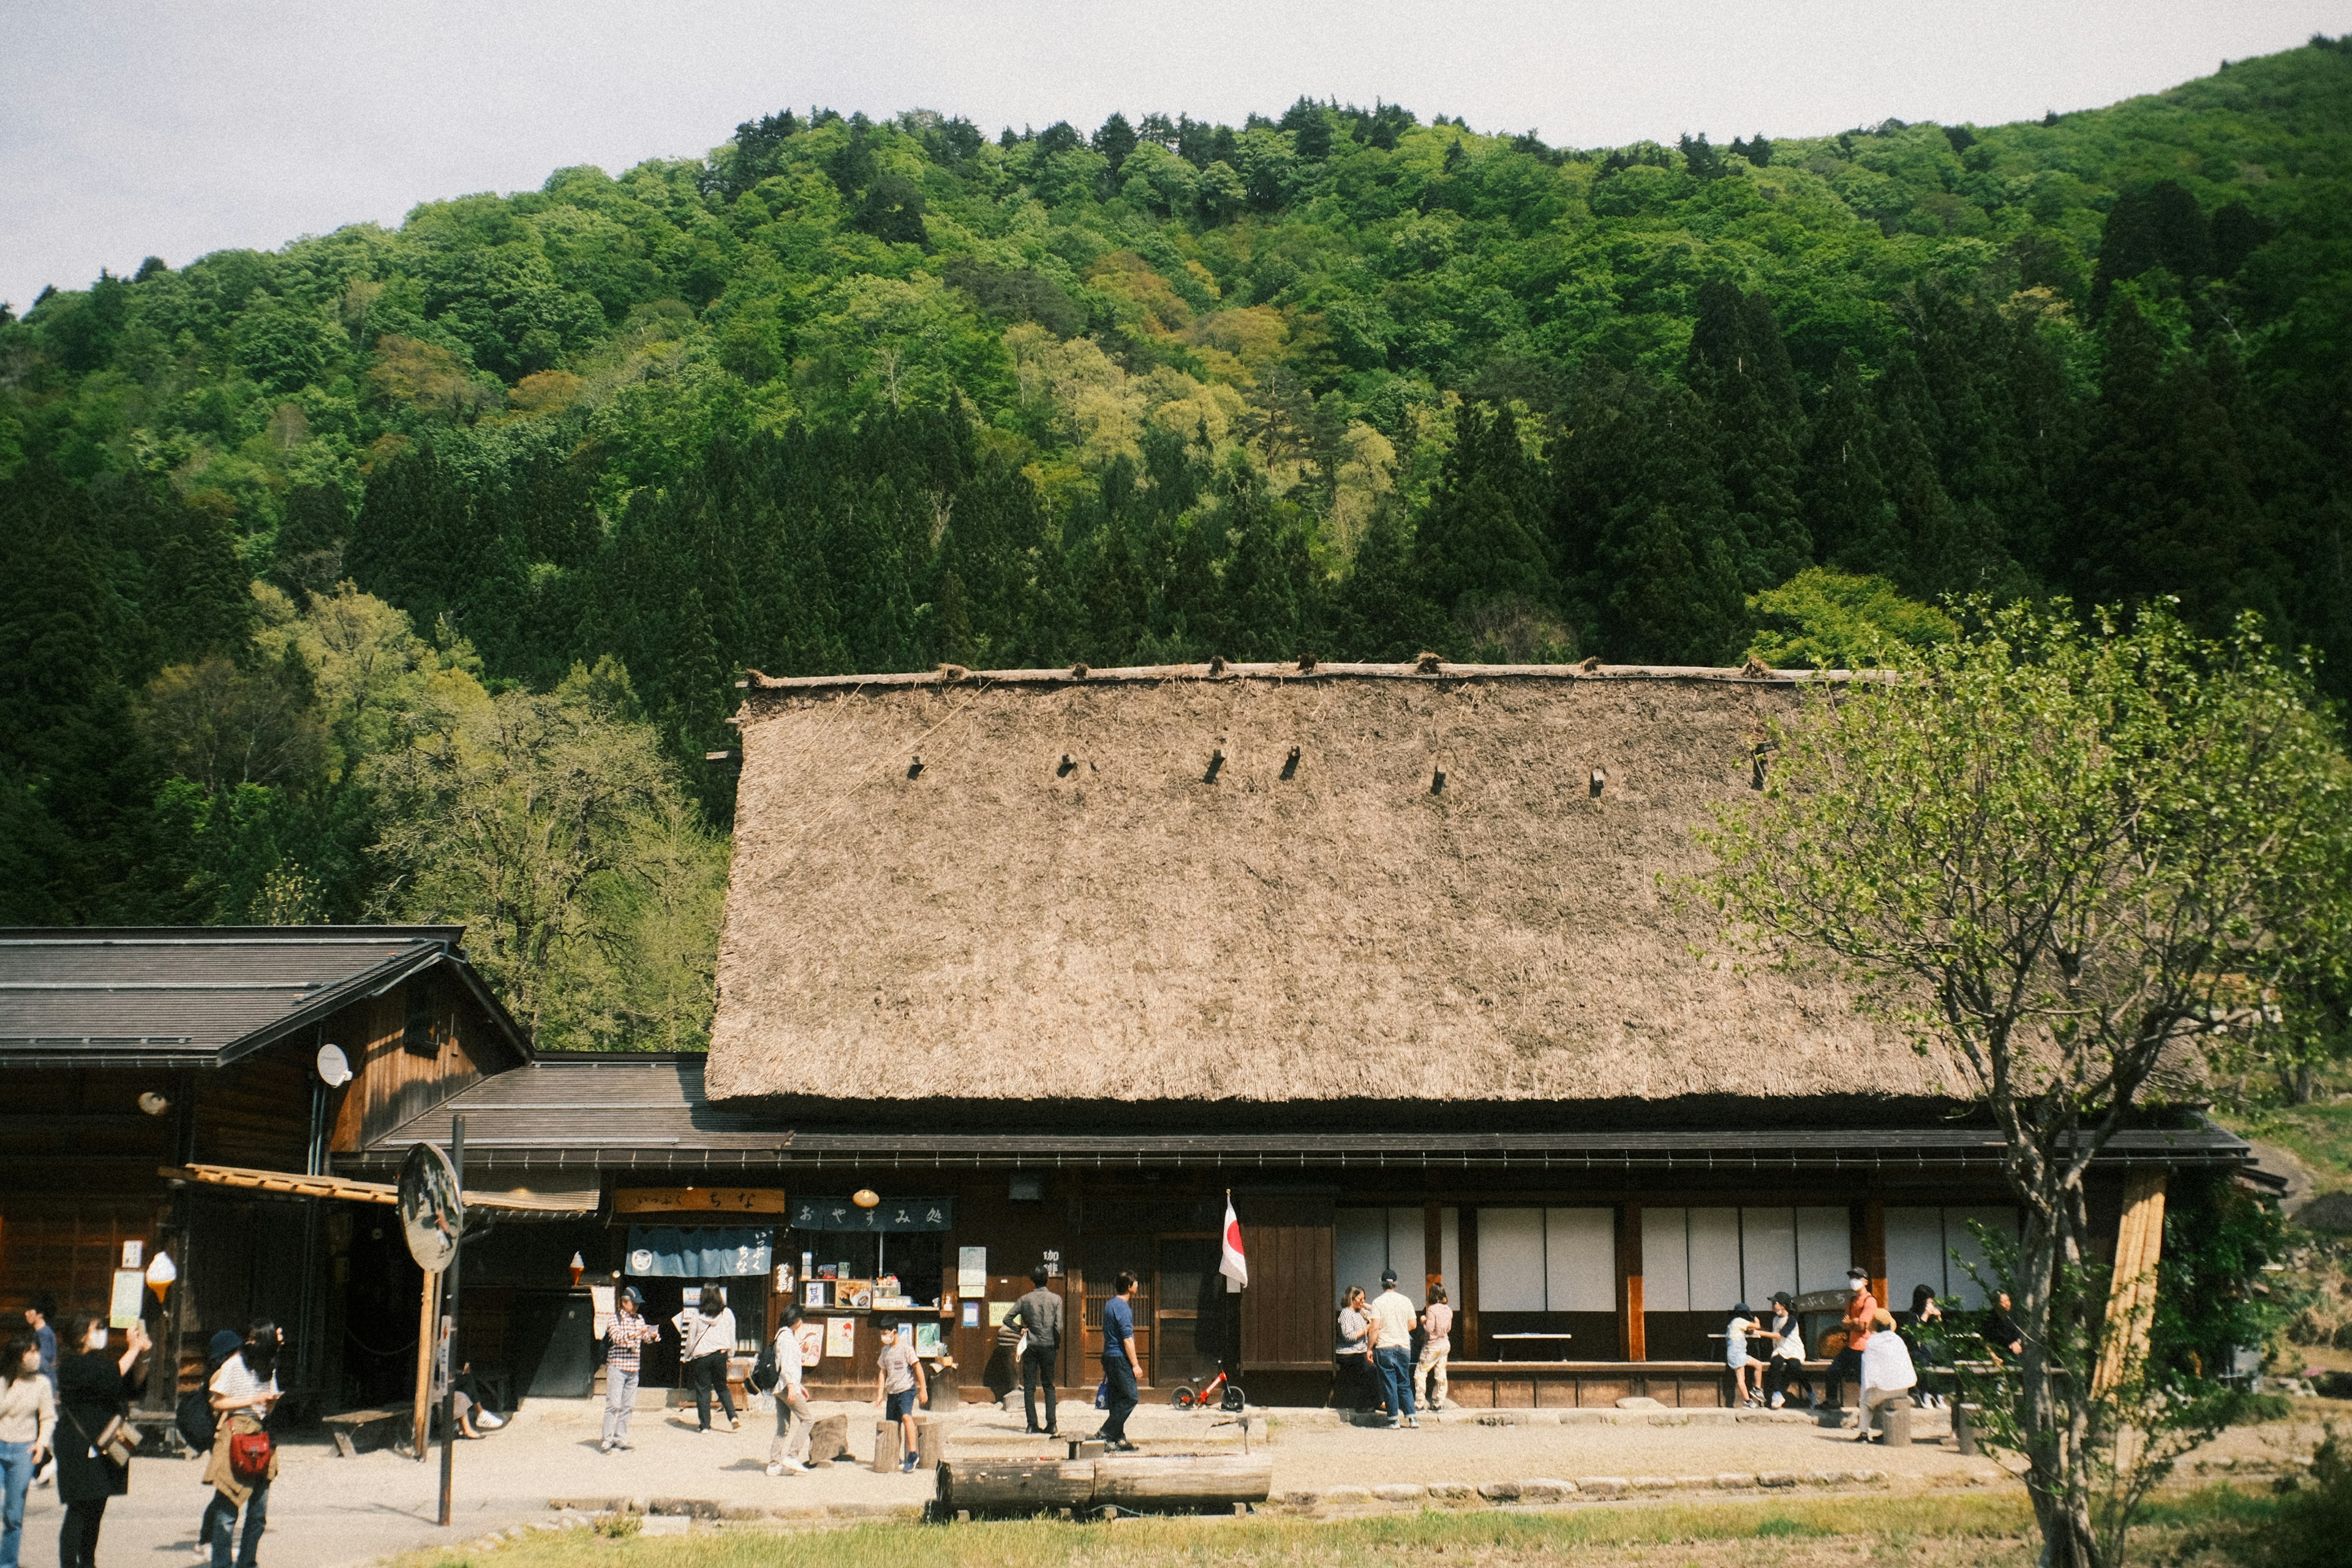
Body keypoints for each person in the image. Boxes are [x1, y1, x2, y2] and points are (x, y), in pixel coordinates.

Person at [54, 1310, 149, 1568]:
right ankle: (68, 1564)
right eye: (96, 1329)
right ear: (81, 1335)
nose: (102, 1334)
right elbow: (114, 1372)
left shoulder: (99, 1360)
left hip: (106, 1443)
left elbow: (130, 1385)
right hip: (79, 1443)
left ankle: (88, 1562)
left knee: (96, 1508)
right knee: (79, 1508)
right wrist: (132, 1348)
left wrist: (141, 1354)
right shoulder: (73, 1364)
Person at [202, 1319, 281, 1568]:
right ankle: (221, 1564)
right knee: (227, 1511)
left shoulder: (269, 1367)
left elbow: (270, 1402)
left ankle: (247, 1562)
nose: (250, 1343)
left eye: (257, 1339)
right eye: (251, 1338)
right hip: (236, 1432)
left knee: (258, 1512)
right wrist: (249, 1400)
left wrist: (270, 1403)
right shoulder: (234, 1365)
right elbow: (216, 1401)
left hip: (261, 1433)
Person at [1, 1333, 55, 1568]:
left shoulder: (42, 1383)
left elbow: (48, 1417)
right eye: (30, 1352)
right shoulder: (3, 1381)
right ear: (17, 1357)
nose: (36, 1357)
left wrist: (41, 1444)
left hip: (24, 1450)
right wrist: (14, 1385)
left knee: (13, 1515)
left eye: (37, 1351)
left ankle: (7, 1563)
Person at [600, 1286, 659, 1453]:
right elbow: (618, 1339)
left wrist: (652, 1336)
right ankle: (607, 1439)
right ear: (624, 1302)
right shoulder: (614, 1319)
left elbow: (645, 1338)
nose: (636, 1308)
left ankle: (621, 1438)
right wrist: (636, 1333)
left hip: (634, 1368)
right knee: (614, 1404)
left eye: (638, 1304)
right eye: (634, 1304)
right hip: (617, 1367)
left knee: (628, 1406)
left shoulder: (639, 1318)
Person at [1005, 1265, 1063, 1436]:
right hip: (1048, 1345)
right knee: (1049, 1386)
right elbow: (1058, 1326)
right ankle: (1051, 1424)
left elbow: (1007, 1318)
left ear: (1032, 1280)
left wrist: (1020, 1329)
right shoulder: (1056, 1299)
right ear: (1047, 1279)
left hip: (1031, 1345)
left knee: (1029, 1387)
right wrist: (1055, 1342)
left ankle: (1032, 1424)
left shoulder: (1025, 1299)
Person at [673, 1286, 740, 1434]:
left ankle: (705, 1426)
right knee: (722, 1387)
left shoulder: (697, 1314)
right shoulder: (727, 1313)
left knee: (703, 1390)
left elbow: (691, 1338)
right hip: (720, 1354)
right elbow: (731, 1336)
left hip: (702, 1356)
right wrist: (730, 1356)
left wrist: (686, 1355)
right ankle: (733, 1416)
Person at [1367, 1269, 1420, 1429]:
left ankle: (1393, 1419)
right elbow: (1413, 1324)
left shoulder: (1378, 1302)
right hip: (1404, 1346)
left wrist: (1370, 1348)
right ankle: (1412, 1418)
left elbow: (1374, 1327)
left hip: (1385, 1346)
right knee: (1404, 1382)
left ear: (1382, 1283)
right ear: (1396, 1284)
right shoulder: (1406, 1301)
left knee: (1389, 1383)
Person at [1820, 1268, 1878, 1413]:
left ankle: (1869, 1406)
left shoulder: (1870, 1301)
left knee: (1863, 1380)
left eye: (1858, 1277)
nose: (1854, 1281)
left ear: (1866, 1281)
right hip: (1851, 1346)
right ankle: (1832, 1400)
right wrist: (1854, 1321)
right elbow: (1844, 1323)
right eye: (1852, 1277)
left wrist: (1852, 1322)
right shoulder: (1852, 1301)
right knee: (1832, 1371)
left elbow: (1862, 1326)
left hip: (1864, 1347)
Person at [1096, 1272, 1142, 1453]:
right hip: (1119, 1357)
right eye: (1136, 1282)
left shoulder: (1110, 1304)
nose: (1138, 1285)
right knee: (1131, 1397)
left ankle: (1119, 1439)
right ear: (1129, 1287)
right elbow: (1127, 1340)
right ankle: (1106, 1431)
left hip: (1109, 1355)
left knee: (1116, 1399)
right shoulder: (1123, 1308)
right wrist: (1136, 1364)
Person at [872, 1323, 927, 1473]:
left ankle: (913, 1454)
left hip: (906, 1389)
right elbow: (882, 1373)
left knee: (906, 1417)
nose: (884, 1337)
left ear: (894, 1332)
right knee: (893, 1424)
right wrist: (879, 1395)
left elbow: (917, 1367)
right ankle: (895, 1456)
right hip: (892, 1392)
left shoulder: (906, 1348)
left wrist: (923, 1390)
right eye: (882, 1334)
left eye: (886, 1334)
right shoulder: (885, 1351)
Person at [765, 1305, 813, 1477]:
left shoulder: (782, 1334)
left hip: (781, 1386)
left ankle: (773, 1465)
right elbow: (786, 1364)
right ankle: (792, 1456)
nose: (801, 1323)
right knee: (808, 1419)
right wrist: (793, 1386)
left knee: (783, 1426)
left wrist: (799, 1386)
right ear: (795, 1320)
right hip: (786, 1386)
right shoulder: (786, 1337)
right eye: (800, 1319)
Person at [1856, 1308, 1917, 1441]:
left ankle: (1864, 1435)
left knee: (1866, 1403)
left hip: (1882, 1389)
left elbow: (1868, 1369)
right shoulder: (1898, 1340)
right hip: (1903, 1387)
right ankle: (1887, 1431)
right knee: (1882, 1397)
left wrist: (1866, 1389)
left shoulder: (1873, 1342)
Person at [1762, 1292, 1812, 1410]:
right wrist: (1758, 1328)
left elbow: (1779, 1336)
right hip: (1780, 1349)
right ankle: (1777, 1394)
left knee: (1794, 1366)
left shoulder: (1791, 1319)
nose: (1773, 1305)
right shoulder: (1775, 1319)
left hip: (1794, 1349)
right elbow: (1771, 1332)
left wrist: (1760, 1333)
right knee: (1776, 1363)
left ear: (1783, 1305)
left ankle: (1811, 1393)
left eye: (1775, 1303)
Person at [1898, 1285, 1947, 1408]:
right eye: (1929, 1302)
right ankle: (1924, 1392)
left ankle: (1937, 1393)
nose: (1931, 1305)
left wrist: (1938, 1318)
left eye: (1932, 1302)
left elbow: (1940, 1335)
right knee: (1924, 1361)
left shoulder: (1931, 1315)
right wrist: (1925, 1315)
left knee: (1939, 1360)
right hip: (1913, 1350)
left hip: (1927, 1349)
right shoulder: (1912, 1316)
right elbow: (1914, 1337)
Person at [1334, 1286, 1374, 1414]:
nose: (1362, 1301)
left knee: (1379, 1364)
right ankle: (1363, 1404)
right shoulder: (1346, 1313)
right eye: (1360, 1299)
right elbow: (1348, 1336)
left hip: (1361, 1350)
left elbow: (1377, 1317)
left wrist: (1367, 1306)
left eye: (1364, 1299)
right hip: (1348, 1352)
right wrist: (1365, 1331)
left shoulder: (1360, 1312)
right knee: (1368, 1369)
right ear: (1352, 1298)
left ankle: (1378, 1401)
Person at [1415, 1284, 1453, 1413]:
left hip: (1432, 1346)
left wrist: (1423, 1321)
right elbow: (1448, 1329)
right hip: (1445, 1344)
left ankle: (1419, 1403)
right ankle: (1439, 1403)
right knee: (1441, 1373)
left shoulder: (1431, 1310)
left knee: (1420, 1373)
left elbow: (1430, 1329)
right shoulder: (1448, 1310)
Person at [1725, 1303, 1768, 1408]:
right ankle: (1753, 1394)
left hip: (1736, 1353)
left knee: (1746, 1375)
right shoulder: (1740, 1321)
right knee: (1754, 1368)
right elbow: (1757, 1327)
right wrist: (1756, 1320)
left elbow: (1749, 1331)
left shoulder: (1733, 1323)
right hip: (1737, 1354)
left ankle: (1752, 1396)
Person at [1983, 1291, 2024, 1362]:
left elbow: (2023, 1333)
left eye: (2008, 1300)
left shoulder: (2015, 1315)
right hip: (1999, 1352)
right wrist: (1994, 1357)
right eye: (2003, 1302)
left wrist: (2017, 1342)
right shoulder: (1989, 1319)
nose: (2007, 1304)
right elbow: (1985, 1342)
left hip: (2016, 1350)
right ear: (1994, 1304)